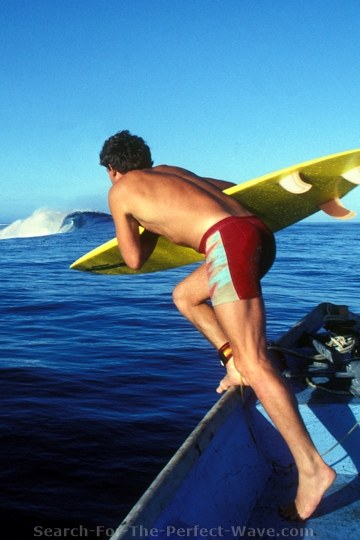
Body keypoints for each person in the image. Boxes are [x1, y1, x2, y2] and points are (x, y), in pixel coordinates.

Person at [99, 130, 336, 521]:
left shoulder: (120, 190)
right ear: (145, 158)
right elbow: (234, 189)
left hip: (225, 243)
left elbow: (134, 259)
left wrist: (144, 224)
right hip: (253, 232)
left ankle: (312, 468)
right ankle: (233, 360)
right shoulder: (171, 171)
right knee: (185, 296)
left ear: (112, 170)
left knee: (258, 363)